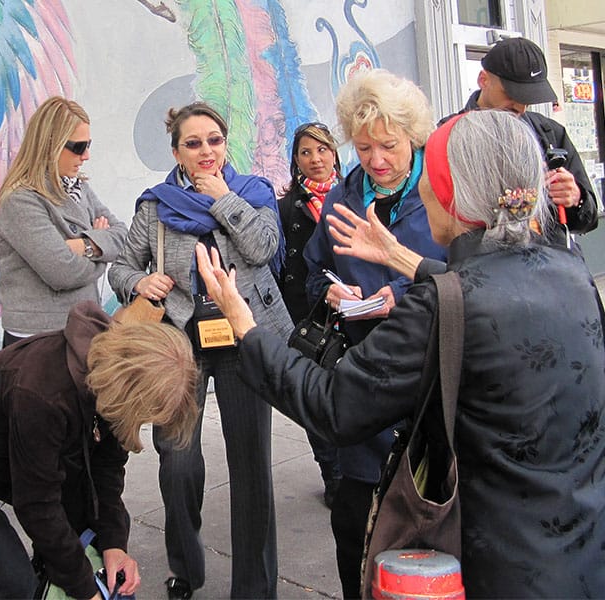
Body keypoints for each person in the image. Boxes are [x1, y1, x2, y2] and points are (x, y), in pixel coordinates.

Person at [196, 109, 605, 598]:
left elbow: (332, 405)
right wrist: (402, 258)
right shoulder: (568, 268)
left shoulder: (440, 307)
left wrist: (243, 323)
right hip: (582, 545)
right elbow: (487, 284)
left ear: (448, 192)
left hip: (496, 562)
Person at [108, 102, 292, 600]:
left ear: (225, 144)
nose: (206, 151)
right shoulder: (156, 205)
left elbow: (263, 249)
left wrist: (222, 198)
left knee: (251, 464)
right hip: (180, 342)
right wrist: (141, 280)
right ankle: (187, 568)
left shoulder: (251, 192)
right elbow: (120, 267)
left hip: (242, 337)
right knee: (179, 461)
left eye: (214, 140)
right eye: (193, 144)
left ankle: (254, 589)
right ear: (176, 152)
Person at [0, 301, 200, 600]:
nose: (143, 422)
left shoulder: (112, 379)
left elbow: (106, 473)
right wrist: (88, 592)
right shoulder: (43, 394)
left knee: (93, 537)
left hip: (4, 450)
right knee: (12, 580)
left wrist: (115, 546)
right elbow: (38, 504)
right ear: (128, 391)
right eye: (144, 415)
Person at [301, 69, 446, 598]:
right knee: (352, 522)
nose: (376, 160)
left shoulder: (441, 192)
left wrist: (402, 296)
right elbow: (314, 269)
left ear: (414, 137)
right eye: (363, 148)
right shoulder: (342, 197)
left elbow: (468, 280)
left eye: (389, 145)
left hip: (431, 381)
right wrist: (330, 293)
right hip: (363, 376)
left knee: (427, 518)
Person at [0, 96, 127, 347]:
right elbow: (62, 273)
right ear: (49, 145)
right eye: (78, 147)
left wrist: (84, 246)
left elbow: (123, 236)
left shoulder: (79, 188)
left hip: (81, 326)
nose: (86, 155)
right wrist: (101, 250)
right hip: (38, 337)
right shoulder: (20, 200)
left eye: (88, 145)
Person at [444, 36, 597, 245]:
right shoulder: (446, 136)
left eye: (528, 97)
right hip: (480, 268)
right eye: (511, 93)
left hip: (552, 266)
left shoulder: (550, 133)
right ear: (483, 80)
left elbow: (587, 220)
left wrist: (576, 198)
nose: (520, 106)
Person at [277, 122, 342, 507]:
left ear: (333, 152)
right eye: (305, 152)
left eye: (321, 150)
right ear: (296, 160)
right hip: (309, 316)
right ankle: (332, 474)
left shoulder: (355, 194)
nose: (315, 159)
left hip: (354, 309)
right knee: (315, 396)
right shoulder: (287, 207)